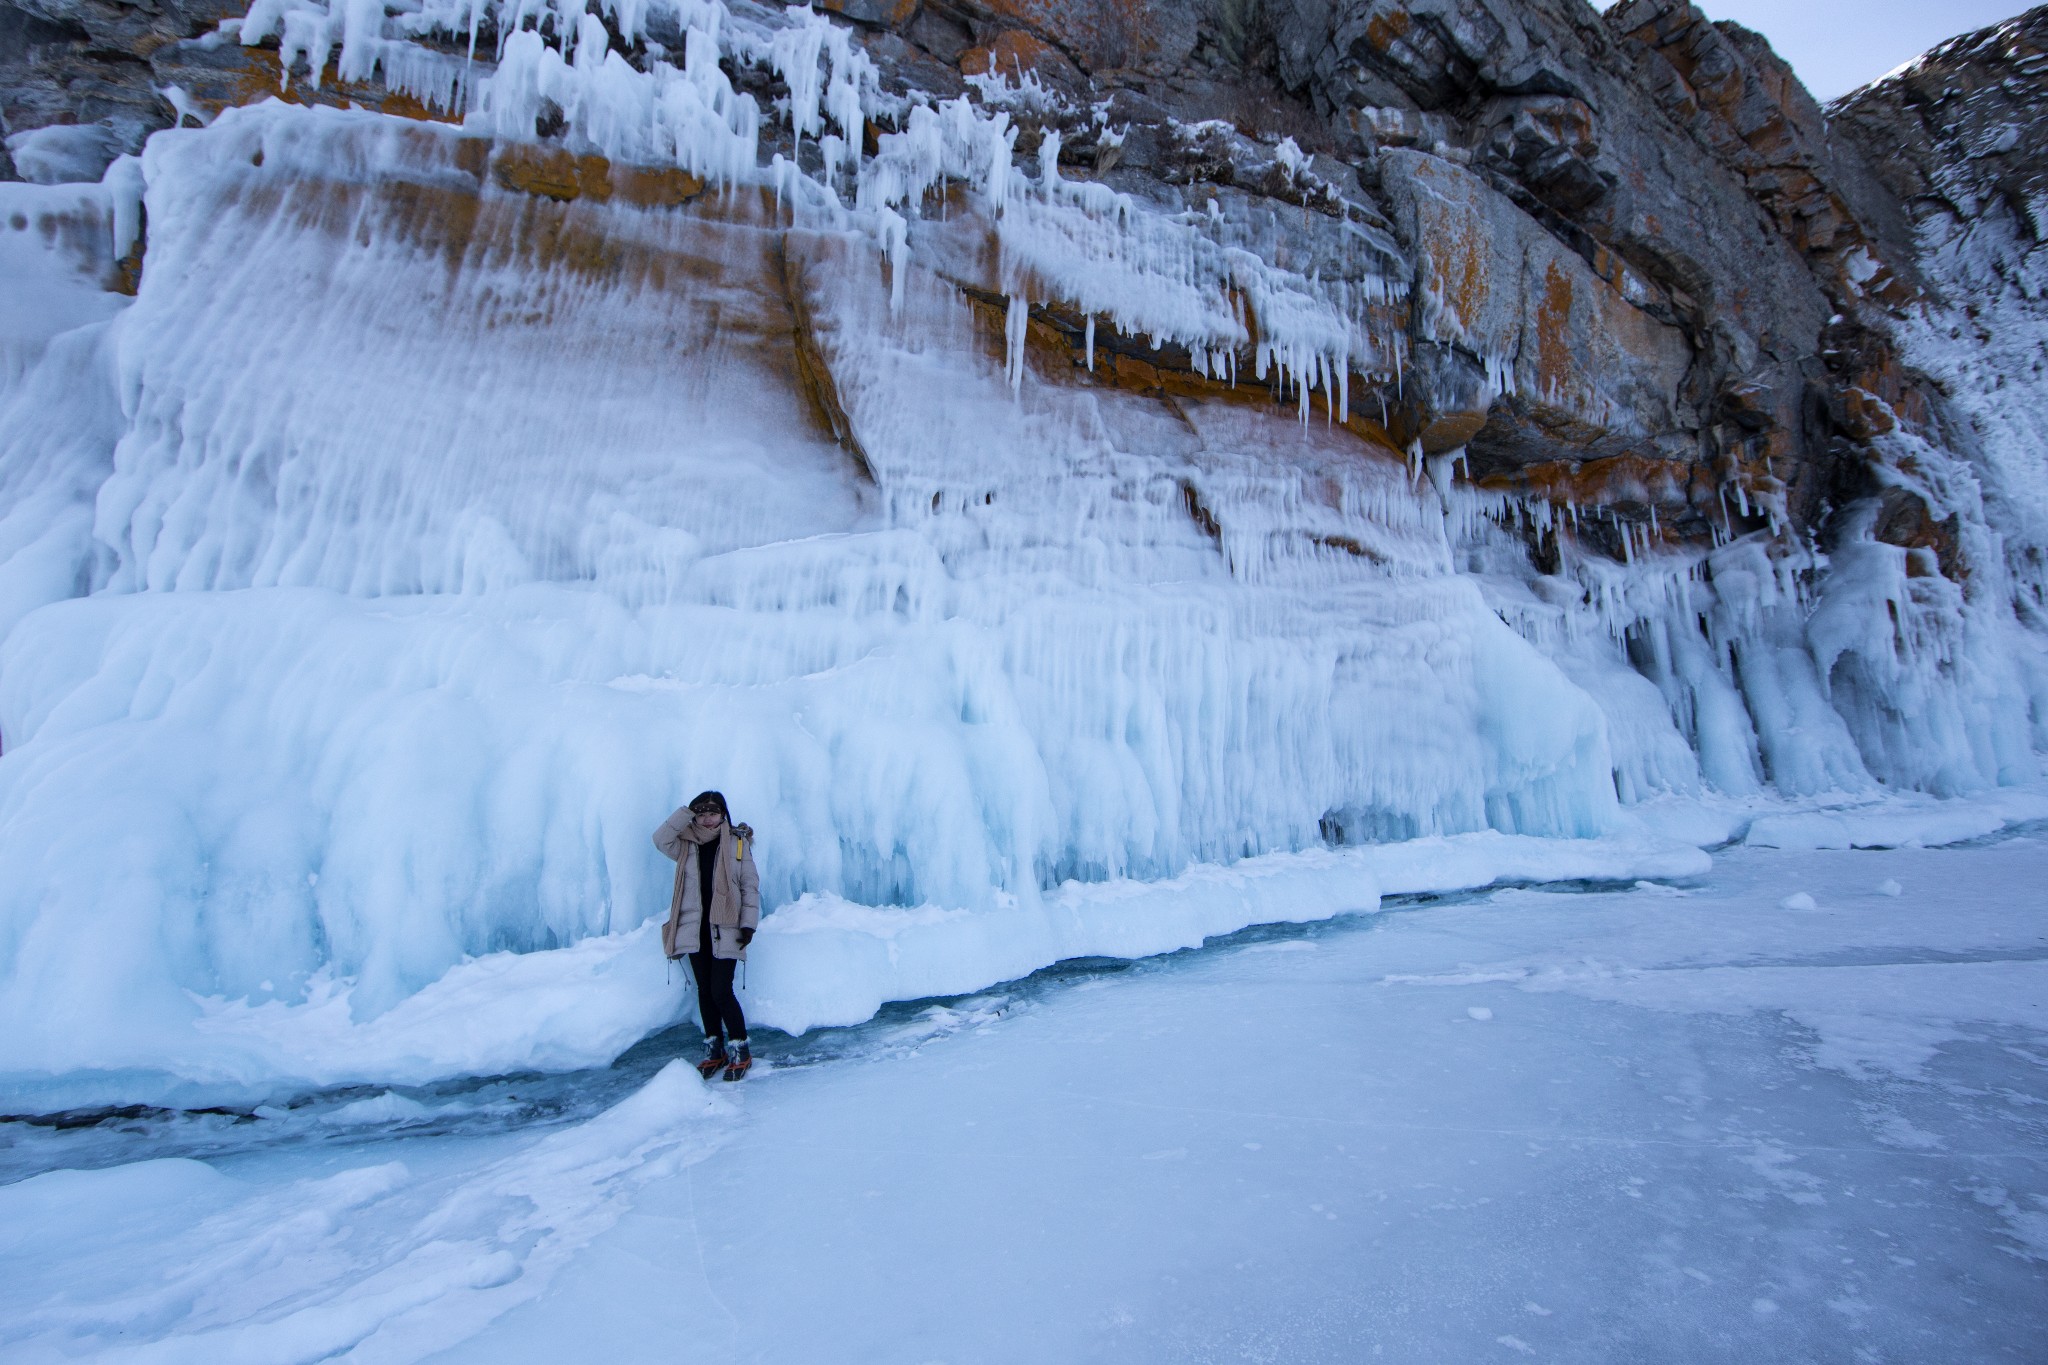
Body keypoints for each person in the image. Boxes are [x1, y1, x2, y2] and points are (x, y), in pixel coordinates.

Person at [654, 791, 761, 1081]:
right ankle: (715, 1049)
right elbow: (660, 839)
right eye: (701, 813)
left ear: (723, 814)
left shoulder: (738, 844)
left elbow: (750, 886)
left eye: (712, 812)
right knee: (705, 991)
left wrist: (748, 924)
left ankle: (740, 1048)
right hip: (694, 927)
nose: (707, 818)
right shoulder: (685, 844)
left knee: (721, 990)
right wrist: (685, 813)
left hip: (726, 927)